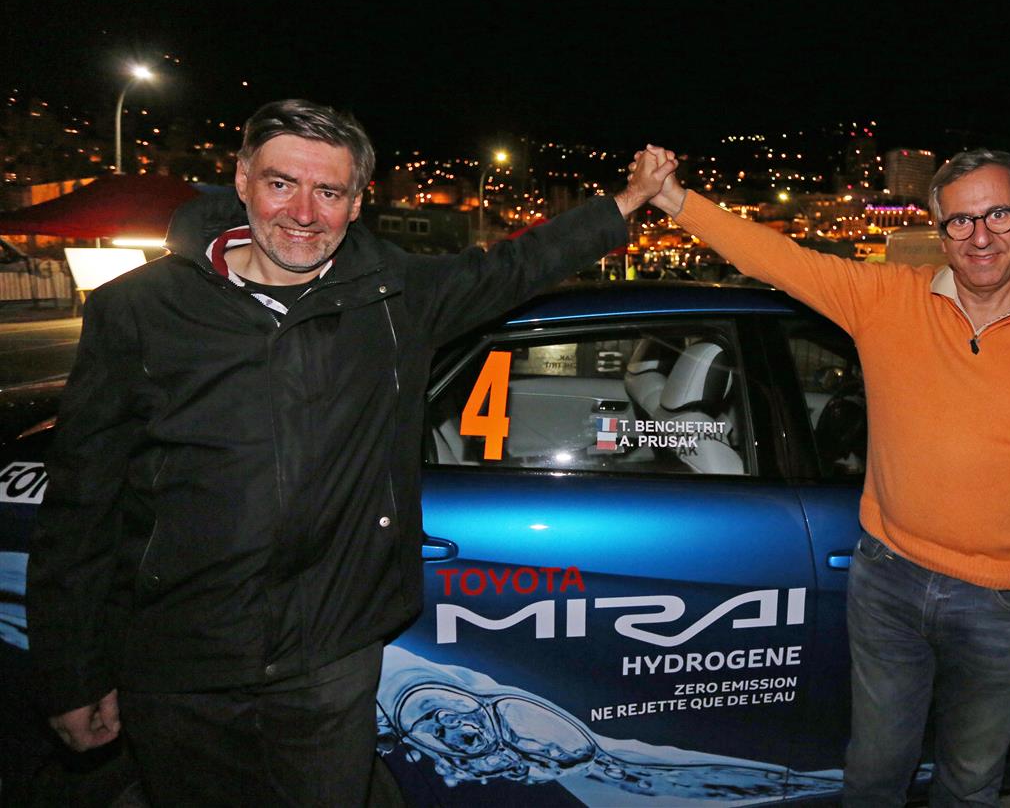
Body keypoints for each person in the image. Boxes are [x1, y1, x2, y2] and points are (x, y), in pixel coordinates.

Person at [27, 99, 673, 806]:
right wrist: (72, 671)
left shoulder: (394, 296)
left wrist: (629, 199)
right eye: (281, 184)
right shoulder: (139, 309)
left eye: (329, 191)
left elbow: (518, 264)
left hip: (328, 660)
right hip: (182, 660)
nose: (303, 213)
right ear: (242, 180)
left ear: (358, 202)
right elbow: (81, 503)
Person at [631, 146, 1010, 807]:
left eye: (997, 214)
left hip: (1005, 603)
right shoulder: (889, 300)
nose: (980, 236)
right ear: (941, 231)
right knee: (875, 771)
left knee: (971, 779)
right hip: (889, 579)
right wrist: (673, 199)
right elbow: (776, 259)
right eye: (960, 221)